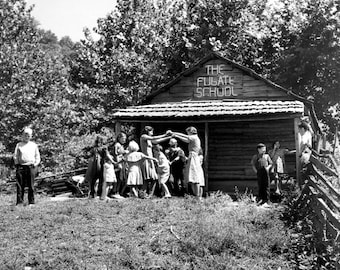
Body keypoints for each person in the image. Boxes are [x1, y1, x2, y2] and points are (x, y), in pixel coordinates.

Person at [171, 127, 205, 198]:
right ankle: (196, 195)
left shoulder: (194, 137)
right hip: (192, 156)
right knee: (193, 177)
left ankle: (198, 196)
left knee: (195, 176)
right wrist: (176, 135)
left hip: (193, 156)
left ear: (191, 132)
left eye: (188, 132)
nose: (187, 134)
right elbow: (186, 138)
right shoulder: (193, 138)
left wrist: (175, 134)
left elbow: (186, 137)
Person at [140, 126, 171, 196]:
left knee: (154, 178)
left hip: (151, 159)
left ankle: (150, 194)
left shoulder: (149, 139)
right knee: (147, 178)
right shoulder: (143, 136)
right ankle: (143, 193)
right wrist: (165, 134)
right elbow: (154, 138)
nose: (152, 133)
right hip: (146, 159)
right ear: (147, 131)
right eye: (151, 131)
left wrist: (168, 137)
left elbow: (157, 141)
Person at [13, 127, 41, 205]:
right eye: (25, 135)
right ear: (22, 136)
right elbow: (15, 156)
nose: (27, 137)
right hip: (21, 167)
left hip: (31, 167)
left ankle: (31, 202)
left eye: (28, 135)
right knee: (20, 185)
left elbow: (37, 157)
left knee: (31, 186)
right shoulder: (19, 145)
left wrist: (35, 164)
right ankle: (19, 202)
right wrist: (17, 164)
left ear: (31, 136)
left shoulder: (34, 145)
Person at [112, 132, 128, 198]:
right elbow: (115, 154)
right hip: (118, 163)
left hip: (122, 162)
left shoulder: (121, 145)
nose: (124, 140)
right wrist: (118, 164)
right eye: (123, 139)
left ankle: (118, 192)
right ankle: (114, 192)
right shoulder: (117, 145)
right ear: (119, 138)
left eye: (125, 139)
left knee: (120, 178)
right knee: (117, 177)